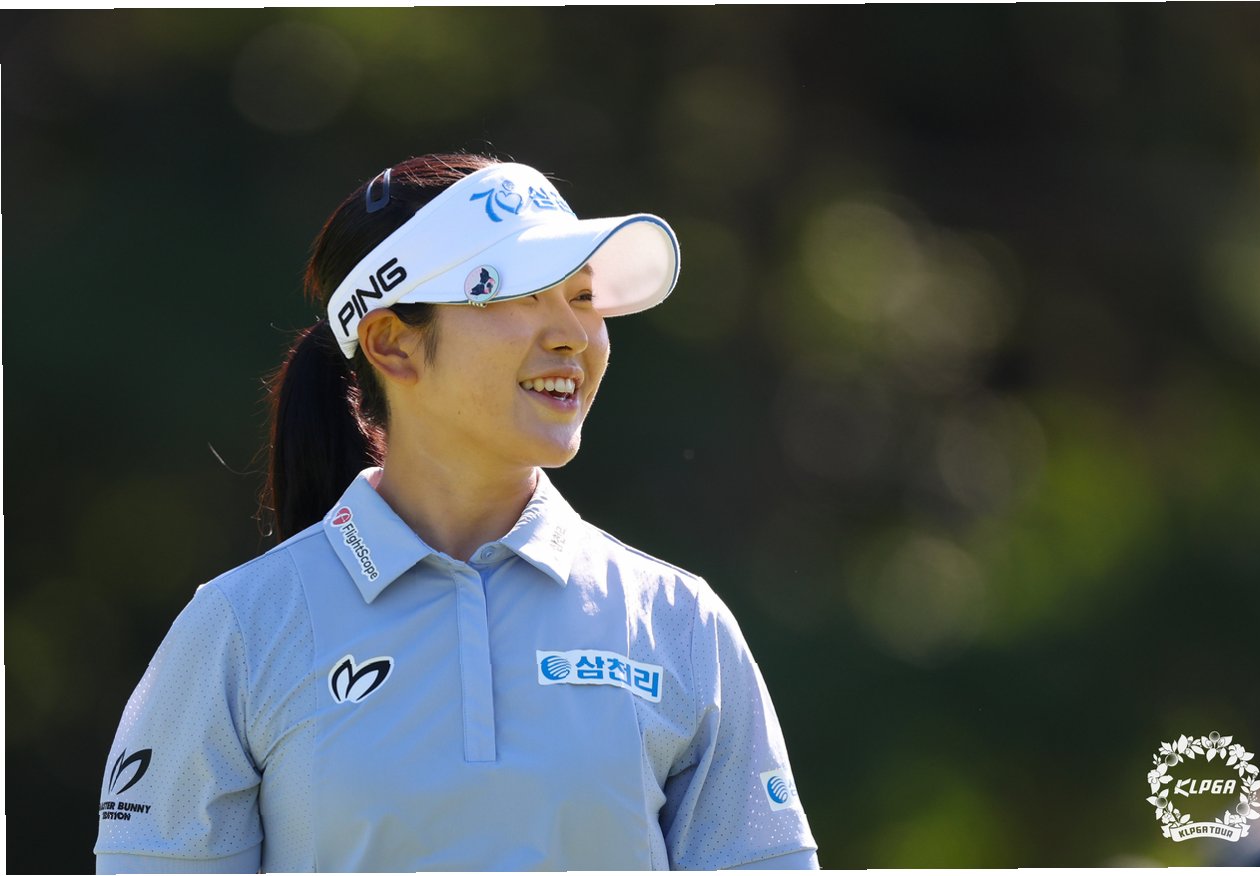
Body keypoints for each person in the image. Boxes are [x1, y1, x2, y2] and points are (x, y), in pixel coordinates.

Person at [94, 154, 819, 872]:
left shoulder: (680, 622)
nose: (572, 334)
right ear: (392, 344)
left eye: (583, 296)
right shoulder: (240, 628)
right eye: (520, 293)